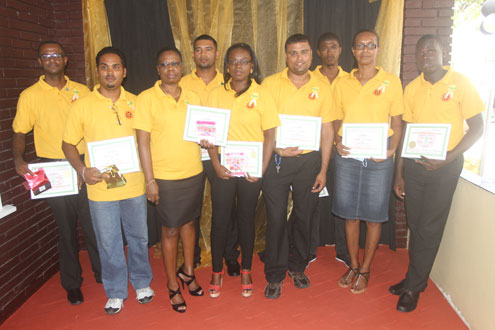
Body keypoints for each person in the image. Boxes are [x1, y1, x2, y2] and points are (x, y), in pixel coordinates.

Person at [390, 34, 484, 312]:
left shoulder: (461, 83)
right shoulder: (412, 88)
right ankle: (414, 277)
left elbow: (478, 127)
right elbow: (406, 133)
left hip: (446, 168)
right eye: (420, 52)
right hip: (416, 168)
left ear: (444, 53)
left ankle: (413, 288)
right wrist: (400, 174)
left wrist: (449, 157)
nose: (425, 56)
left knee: (429, 227)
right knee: (415, 225)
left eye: (431, 51)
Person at [62, 47, 154, 315]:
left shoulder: (137, 103)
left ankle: (142, 283)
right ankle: (115, 292)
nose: (110, 72)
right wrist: (82, 170)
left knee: (138, 238)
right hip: (100, 188)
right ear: (98, 71)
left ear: (124, 72)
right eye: (104, 67)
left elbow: (148, 142)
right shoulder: (82, 105)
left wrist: (150, 179)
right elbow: (68, 144)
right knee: (108, 241)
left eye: (115, 67)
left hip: (134, 184)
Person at [12, 40, 101, 306]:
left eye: (57, 55)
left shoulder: (82, 91)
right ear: (40, 62)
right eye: (46, 56)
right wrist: (18, 159)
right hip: (54, 169)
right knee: (66, 230)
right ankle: (73, 284)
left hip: (85, 165)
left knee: (95, 224)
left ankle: (104, 273)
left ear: (65, 60)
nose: (52, 59)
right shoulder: (30, 95)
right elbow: (20, 132)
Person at [261, 34, 335, 299]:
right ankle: (274, 274)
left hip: (309, 162)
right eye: (293, 53)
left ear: (311, 55)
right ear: (285, 56)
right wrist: (278, 149)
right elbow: (263, 126)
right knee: (277, 218)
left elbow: (328, 130)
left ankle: (298, 265)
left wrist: (324, 169)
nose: (299, 58)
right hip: (278, 160)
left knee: (304, 217)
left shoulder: (323, 86)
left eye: (303, 52)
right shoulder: (269, 84)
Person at [203, 43, 279, 298]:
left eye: (244, 61)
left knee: (246, 219)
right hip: (222, 165)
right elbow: (209, 134)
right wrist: (215, 164)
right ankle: (216, 272)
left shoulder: (262, 94)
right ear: (226, 66)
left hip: (251, 168)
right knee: (220, 219)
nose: (238, 66)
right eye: (233, 62)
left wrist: (262, 169)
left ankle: (246, 269)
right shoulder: (215, 94)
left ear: (252, 65)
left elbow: (270, 136)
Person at [332, 29, 403, 294]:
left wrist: (391, 151)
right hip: (348, 158)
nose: (365, 50)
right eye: (360, 46)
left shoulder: (392, 82)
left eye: (370, 45)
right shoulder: (342, 83)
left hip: (378, 159)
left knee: (374, 218)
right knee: (350, 216)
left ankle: (366, 268)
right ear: (352, 50)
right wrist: (338, 143)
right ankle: (352, 264)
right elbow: (336, 118)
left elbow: (397, 122)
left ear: (378, 48)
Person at [135, 47, 204, 313]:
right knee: (170, 230)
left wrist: (207, 138)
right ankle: (173, 284)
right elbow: (142, 143)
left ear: (182, 66)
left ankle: (188, 271)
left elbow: (203, 130)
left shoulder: (194, 96)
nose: (170, 68)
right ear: (158, 69)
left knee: (189, 224)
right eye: (165, 64)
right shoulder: (146, 98)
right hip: (164, 177)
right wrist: (150, 180)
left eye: (175, 63)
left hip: (193, 172)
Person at [181, 35, 241, 276]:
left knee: (228, 209)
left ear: (217, 54)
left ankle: (230, 256)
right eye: (198, 50)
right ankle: (191, 256)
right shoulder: (182, 83)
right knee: (190, 210)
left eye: (208, 49)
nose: (203, 54)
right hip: (191, 154)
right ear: (192, 54)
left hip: (222, 154)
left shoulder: (230, 82)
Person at [312, 31, 350, 266]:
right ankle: (308, 246)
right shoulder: (308, 79)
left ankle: (343, 249)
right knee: (310, 200)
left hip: (344, 150)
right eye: (324, 48)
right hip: (313, 149)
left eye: (333, 47)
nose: (329, 52)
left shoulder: (351, 80)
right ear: (318, 52)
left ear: (341, 50)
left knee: (342, 200)